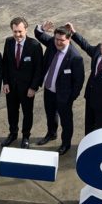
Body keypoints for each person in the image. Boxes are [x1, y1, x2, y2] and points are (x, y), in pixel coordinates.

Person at [34, 22, 84, 156]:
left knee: (66, 121)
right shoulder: (52, 44)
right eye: (56, 39)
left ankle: (65, 144)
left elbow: (79, 81)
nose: (58, 42)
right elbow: (39, 35)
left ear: (68, 39)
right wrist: (42, 29)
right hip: (49, 90)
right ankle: (51, 134)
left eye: (62, 40)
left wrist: (71, 97)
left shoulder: (75, 57)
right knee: (50, 114)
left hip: (64, 95)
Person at [67, 24, 102, 134]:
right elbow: (86, 46)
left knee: (100, 130)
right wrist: (74, 33)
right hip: (90, 97)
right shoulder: (98, 51)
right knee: (88, 125)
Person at [1, 17, 45, 149]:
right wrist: (5, 82)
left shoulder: (34, 46)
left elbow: (39, 69)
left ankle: (26, 136)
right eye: (15, 32)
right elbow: (5, 64)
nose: (17, 35)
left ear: (26, 29)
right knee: (12, 111)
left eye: (20, 31)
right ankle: (13, 133)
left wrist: (33, 87)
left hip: (27, 89)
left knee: (27, 112)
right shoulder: (9, 42)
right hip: (11, 87)